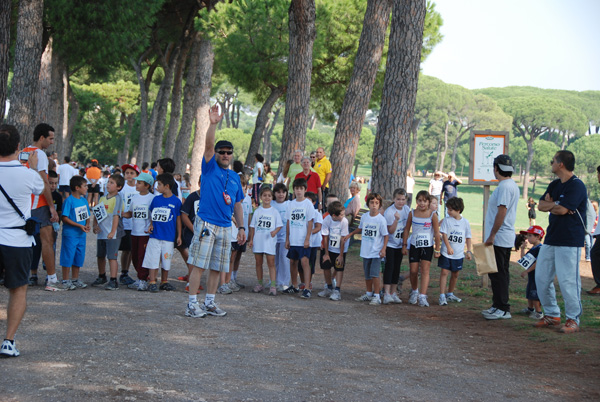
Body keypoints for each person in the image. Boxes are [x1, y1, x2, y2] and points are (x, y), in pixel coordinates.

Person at [185, 105, 246, 318]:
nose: (226, 155)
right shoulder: (210, 167)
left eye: (229, 152)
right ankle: (192, 304)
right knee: (199, 265)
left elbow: (237, 204)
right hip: (206, 223)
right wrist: (212, 124)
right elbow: (208, 146)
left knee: (217, 267)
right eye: (222, 152)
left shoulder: (236, 178)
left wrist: (241, 227)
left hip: (225, 225)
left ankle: (210, 303)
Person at [0, 124, 45, 357]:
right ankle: (8, 341)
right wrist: (34, 167)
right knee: (18, 290)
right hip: (17, 239)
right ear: (18, 147)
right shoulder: (28, 175)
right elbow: (40, 188)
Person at [534, 150, 587, 333]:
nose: (551, 164)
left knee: (568, 281)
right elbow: (541, 205)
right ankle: (552, 314)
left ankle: (573, 319)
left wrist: (555, 206)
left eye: (553, 161)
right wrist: (556, 206)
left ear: (561, 164)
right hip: (552, 238)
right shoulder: (555, 184)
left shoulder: (577, 186)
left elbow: (563, 210)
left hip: (570, 240)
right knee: (541, 278)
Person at [22, 123, 61, 291]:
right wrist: (52, 207)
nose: (52, 142)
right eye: (50, 138)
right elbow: (44, 181)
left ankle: (24, 275)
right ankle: (51, 278)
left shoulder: (23, 152)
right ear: (42, 138)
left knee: (25, 241)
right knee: (47, 240)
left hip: (23, 203)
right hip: (39, 202)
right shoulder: (40, 154)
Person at [481, 155, 520, 320]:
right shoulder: (511, 185)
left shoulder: (504, 186)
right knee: (497, 273)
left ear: (496, 168)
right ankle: (497, 304)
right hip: (503, 236)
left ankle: (503, 308)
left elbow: (502, 211)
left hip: (500, 237)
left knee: (499, 274)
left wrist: (492, 235)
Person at [346, 193, 388, 305]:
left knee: (375, 274)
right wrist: (349, 235)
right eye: (372, 202)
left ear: (379, 205)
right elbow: (360, 229)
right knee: (367, 274)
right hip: (366, 250)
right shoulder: (365, 217)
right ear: (368, 204)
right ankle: (369, 293)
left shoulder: (381, 219)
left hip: (376, 251)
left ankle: (377, 295)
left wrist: (383, 249)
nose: (374, 205)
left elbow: (386, 235)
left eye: (376, 203)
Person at [143, 173, 182, 293]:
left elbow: (178, 219)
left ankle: (164, 281)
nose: (156, 187)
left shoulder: (176, 201)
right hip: (155, 235)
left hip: (169, 236)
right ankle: (152, 281)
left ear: (167, 186)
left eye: (159, 184)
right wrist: (150, 225)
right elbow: (152, 215)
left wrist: (179, 235)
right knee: (153, 258)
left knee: (166, 259)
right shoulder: (156, 200)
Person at [402, 190, 440, 307]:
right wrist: (404, 245)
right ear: (416, 201)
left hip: (427, 246)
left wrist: (437, 248)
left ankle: (423, 296)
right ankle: (414, 291)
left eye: (425, 201)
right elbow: (407, 229)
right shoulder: (412, 213)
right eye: (420, 201)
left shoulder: (432, 215)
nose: (422, 203)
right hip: (414, 245)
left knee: (425, 270)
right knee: (413, 271)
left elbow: (437, 233)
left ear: (428, 202)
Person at [121, 172, 155, 291]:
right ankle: (140, 278)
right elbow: (130, 213)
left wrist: (151, 225)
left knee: (142, 256)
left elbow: (153, 216)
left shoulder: (152, 198)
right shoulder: (135, 197)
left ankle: (143, 279)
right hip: (134, 232)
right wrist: (122, 214)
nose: (136, 184)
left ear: (147, 185)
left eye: (139, 183)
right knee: (135, 256)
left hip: (145, 233)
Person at [91, 174, 125, 290]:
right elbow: (97, 213)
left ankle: (113, 280)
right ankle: (102, 276)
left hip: (112, 233)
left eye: (111, 183)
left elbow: (116, 215)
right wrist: (95, 225)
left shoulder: (118, 199)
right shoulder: (102, 198)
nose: (108, 185)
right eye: (108, 182)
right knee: (100, 255)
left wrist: (113, 231)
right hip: (102, 232)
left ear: (118, 187)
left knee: (112, 256)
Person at [282, 178, 315, 298]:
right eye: (297, 189)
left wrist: (307, 238)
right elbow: (288, 222)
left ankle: (306, 287)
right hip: (293, 238)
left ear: (305, 190)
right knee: (292, 261)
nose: (299, 191)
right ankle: (294, 285)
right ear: (294, 190)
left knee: (305, 262)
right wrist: (287, 239)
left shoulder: (308, 204)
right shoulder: (291, 204)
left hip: (303, 239)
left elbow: (310, 222)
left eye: (301, 189)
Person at [248, 186, 283, 295]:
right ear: (261, 197)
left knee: (271, 263)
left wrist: (275, 232)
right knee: (258, 262)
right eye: (264, 195)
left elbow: (279, 225)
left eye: (269, 195)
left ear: (272, 197)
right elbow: (253, 226)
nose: (267, 198)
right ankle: (260, 283)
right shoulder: (258, 211)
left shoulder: (274, 211)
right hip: (259, 240)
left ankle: (273, 285)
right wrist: (251, 239)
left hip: (269, 241)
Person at [438, 197, 472, 306]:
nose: (448, 212)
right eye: (448, 209)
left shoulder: (465, 222)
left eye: (451, 210)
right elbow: (444, 234)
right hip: (446, 252)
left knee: (455, 274)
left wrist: (469, 251)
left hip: (458, 254)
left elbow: (468, 237)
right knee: (444, 272)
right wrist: (448, 247)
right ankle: (442, 295)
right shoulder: (447, 220)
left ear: (458, 210)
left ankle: (450, 293)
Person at [60, 176, 91, 290]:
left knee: (79, 256)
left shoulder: (84, 200)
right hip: (70, 234)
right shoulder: (69, 201)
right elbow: (65, 217)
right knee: (68, 256)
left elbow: (87, 215)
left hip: (81, 234)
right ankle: (65, 280)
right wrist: (79, 225)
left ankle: (75, 278)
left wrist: (87, 224)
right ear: (77, 188)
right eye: (85, 186)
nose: (87, 188)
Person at [382, 188, 410, 304]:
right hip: (390, 244)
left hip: (400, 245)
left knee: (397, 268)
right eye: (398, 199)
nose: (401, 202)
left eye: (403, 199)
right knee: (389, 267)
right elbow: (390, 231)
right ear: (394, 199)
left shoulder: (407, 210)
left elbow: (408, 227)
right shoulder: (389, 212)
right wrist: (396, 220)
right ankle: (386, 293)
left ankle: (393, 292)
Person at [318, 201, 349, 301]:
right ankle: (329, 287)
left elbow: (343, 238)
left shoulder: (344, 221)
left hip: (340, 248)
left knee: (339, 267)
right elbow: (325, 237)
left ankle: (337, 290)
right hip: (329, 247)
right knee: (326, 265)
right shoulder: (327, 220)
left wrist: (341, 255)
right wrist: (326, 253)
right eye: (342, 214)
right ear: (334, 215)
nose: (343, 216)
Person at [119, 163, 140, 286]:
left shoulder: (138, 189)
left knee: (134, 250)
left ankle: (138, 273)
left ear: (137, 175)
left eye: (132, 173)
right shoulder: (122, 188)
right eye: (127, 173)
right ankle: (124, 272)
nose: (129, 175)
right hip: (125, 223)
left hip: (137, 224)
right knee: (126, 250)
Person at [517, 225, 544, 320]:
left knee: (535, 295)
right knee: (529, 293)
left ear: (538, 237)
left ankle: (539, 313)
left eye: (530, 236)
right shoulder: (533, 248)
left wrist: (527, 271)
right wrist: (523, 249)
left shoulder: (541, 248)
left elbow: (538, 263)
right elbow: (524, 260)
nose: (527, 238)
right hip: (532, 276)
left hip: (538, 276)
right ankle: (530, 309)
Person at [272, 183, 290, 291]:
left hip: (285, 236)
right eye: (278, 192)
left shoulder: (289, 204)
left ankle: (284, 282)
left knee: (284, 258)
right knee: (274, 259)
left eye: (283, 192)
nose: (281, 194)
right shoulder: (271, 204)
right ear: (274, 193)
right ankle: (274, 280)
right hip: (273, 236)